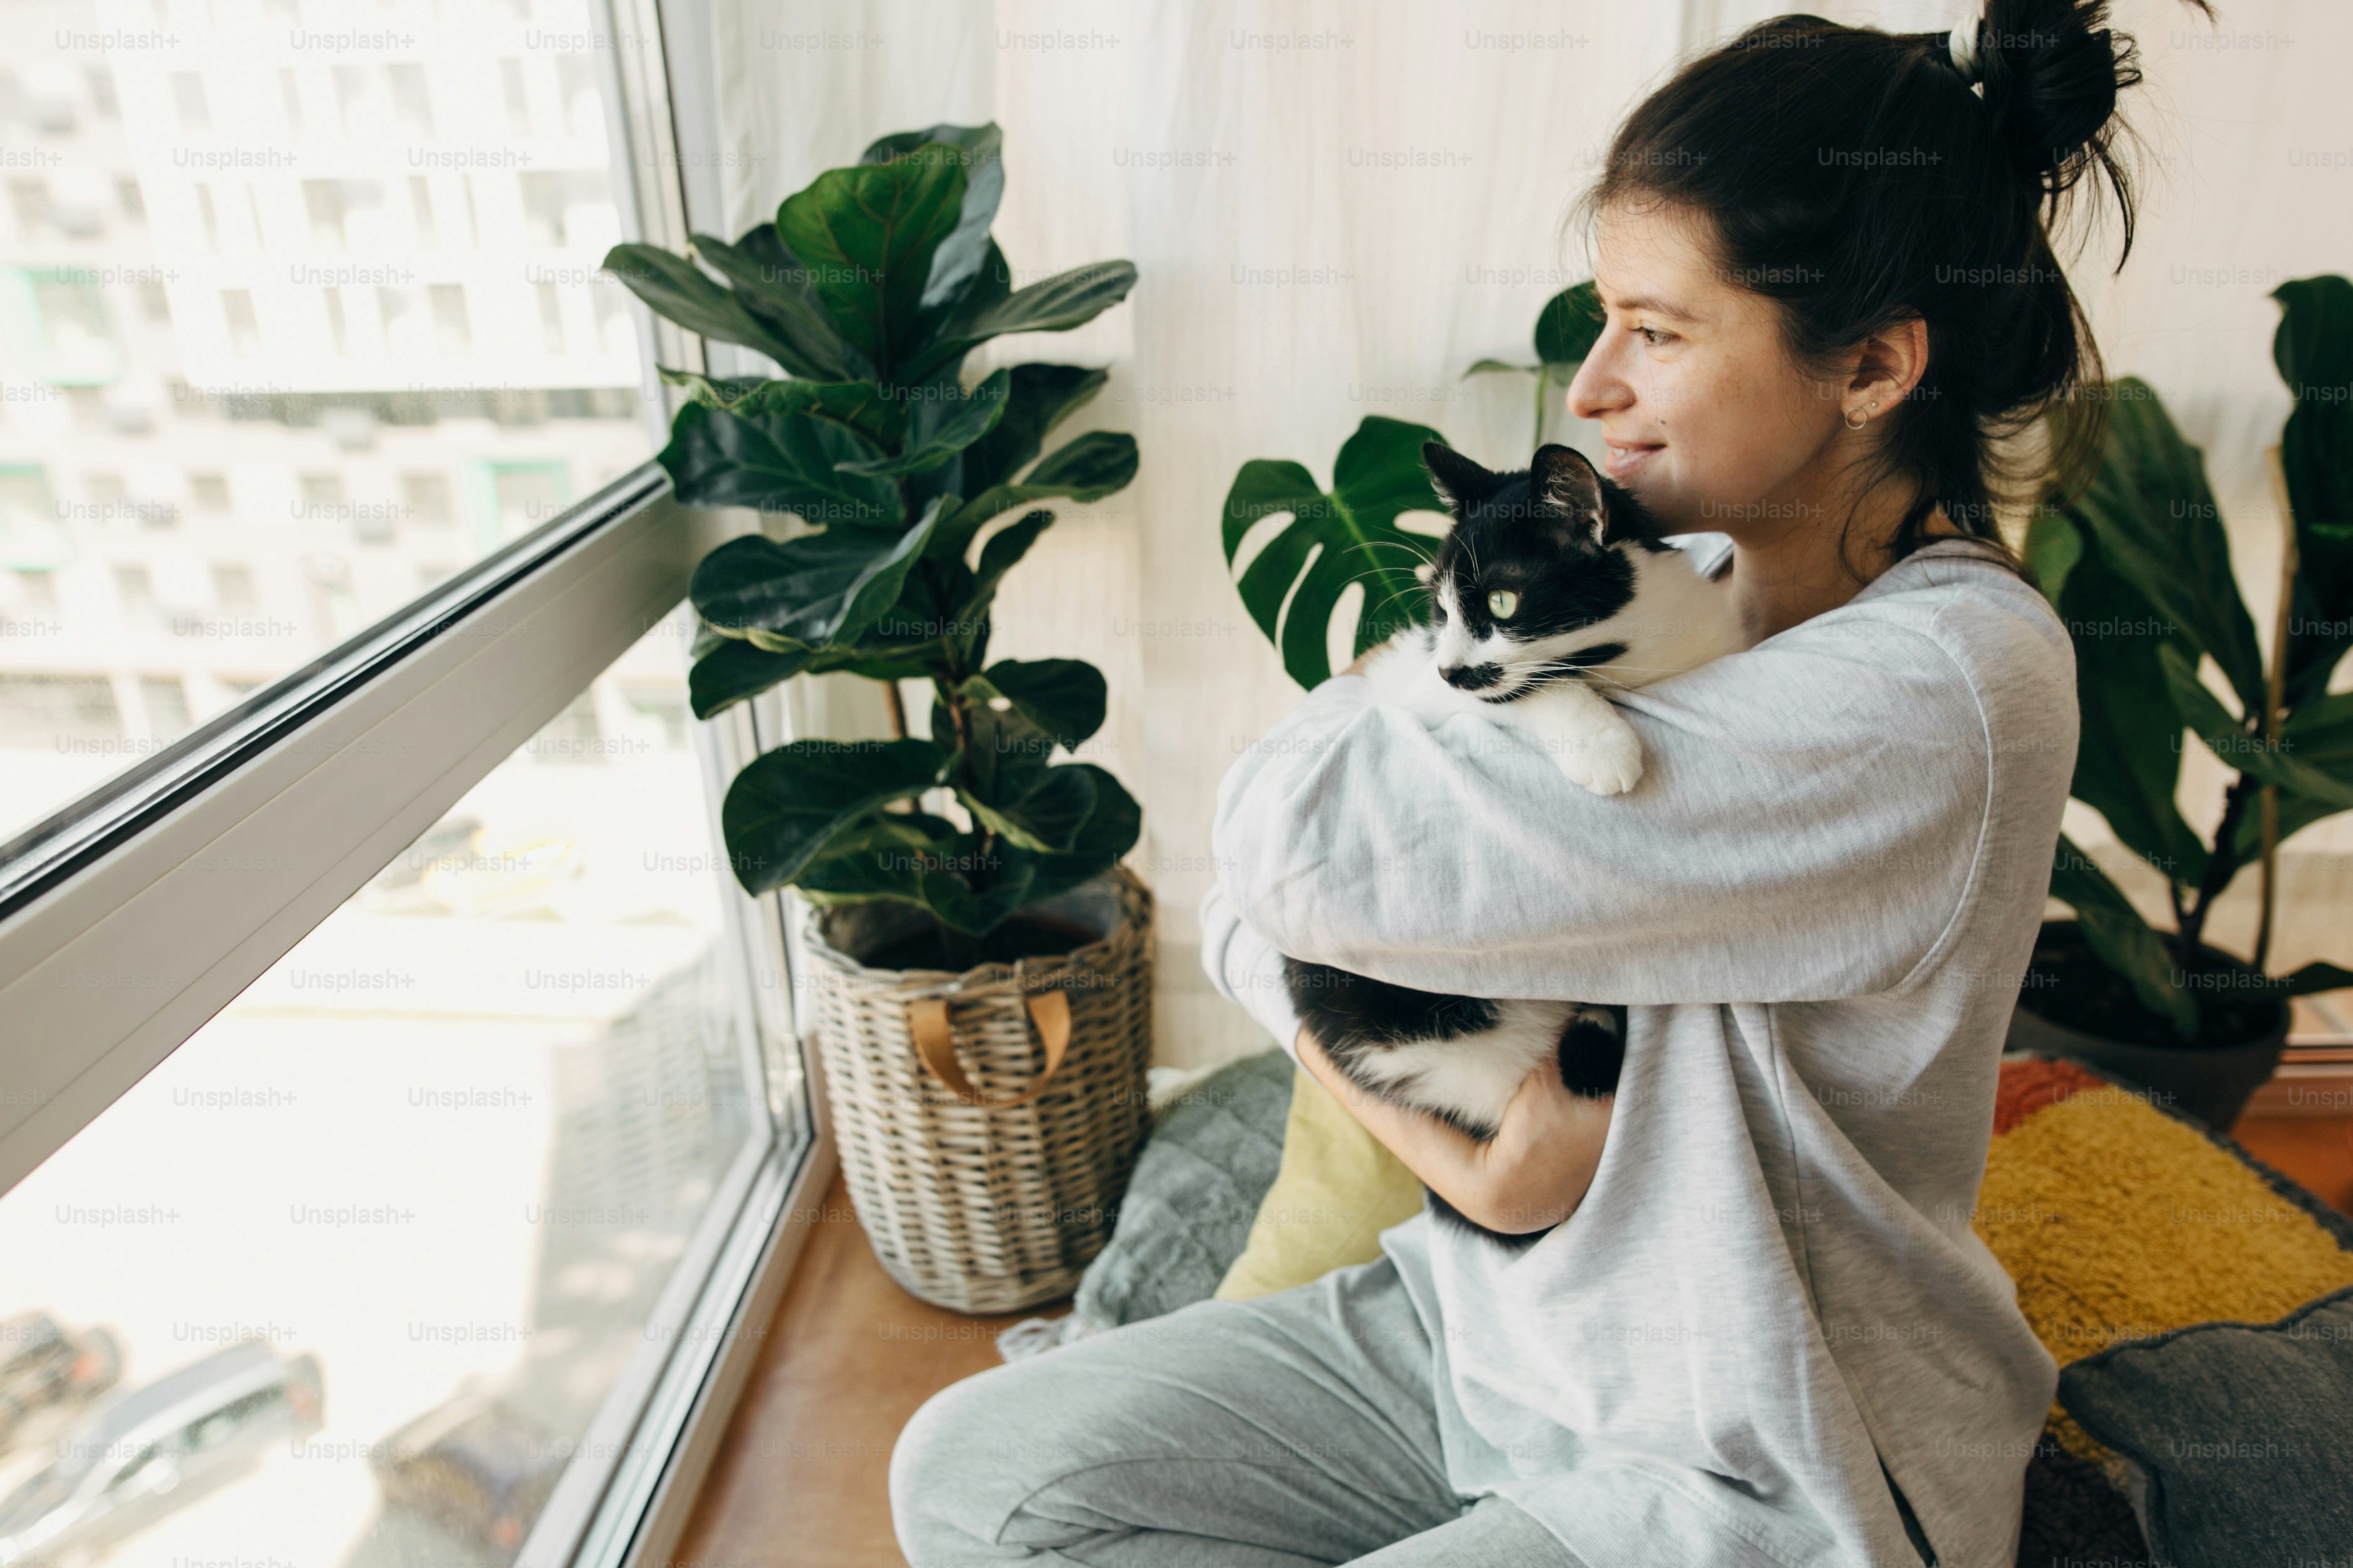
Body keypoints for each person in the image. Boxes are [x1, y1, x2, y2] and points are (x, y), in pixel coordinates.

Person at [891, 1, 2174, 1560]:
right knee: (975, 1470)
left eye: (1661, 328)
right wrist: (1456, 1167)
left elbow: (1296, 850)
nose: (1587, 388)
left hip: (1749, 1449)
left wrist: (1382, 697)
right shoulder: (1668, 602)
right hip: (1494, 1333)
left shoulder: (1950, 686)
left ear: (1876, 365)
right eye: (1600, 317)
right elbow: (1255, 902)